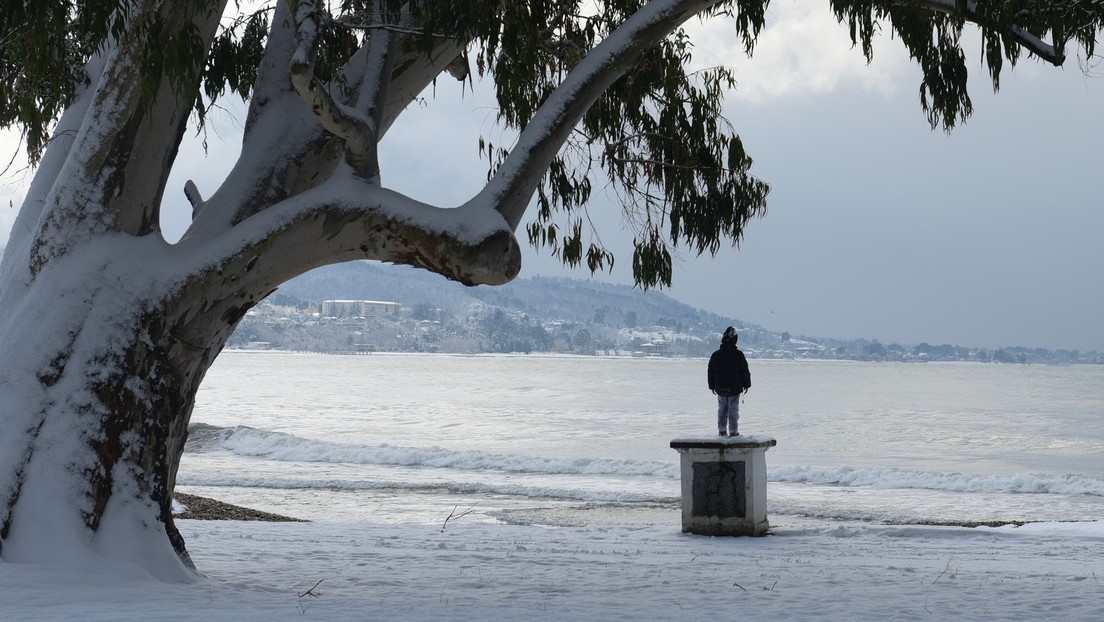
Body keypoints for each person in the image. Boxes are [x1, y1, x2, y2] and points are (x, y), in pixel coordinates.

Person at [707, 326, 751, 436]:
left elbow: (710, 371)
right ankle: (733, 431)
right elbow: (744, 370)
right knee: (733, 410)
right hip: (735, 387)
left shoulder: (715, 355)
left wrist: (712, 386)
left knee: (722, 409)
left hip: (720, 387)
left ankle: (721, 430)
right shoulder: (739, 355)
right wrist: (746, 385)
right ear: (735, 340)